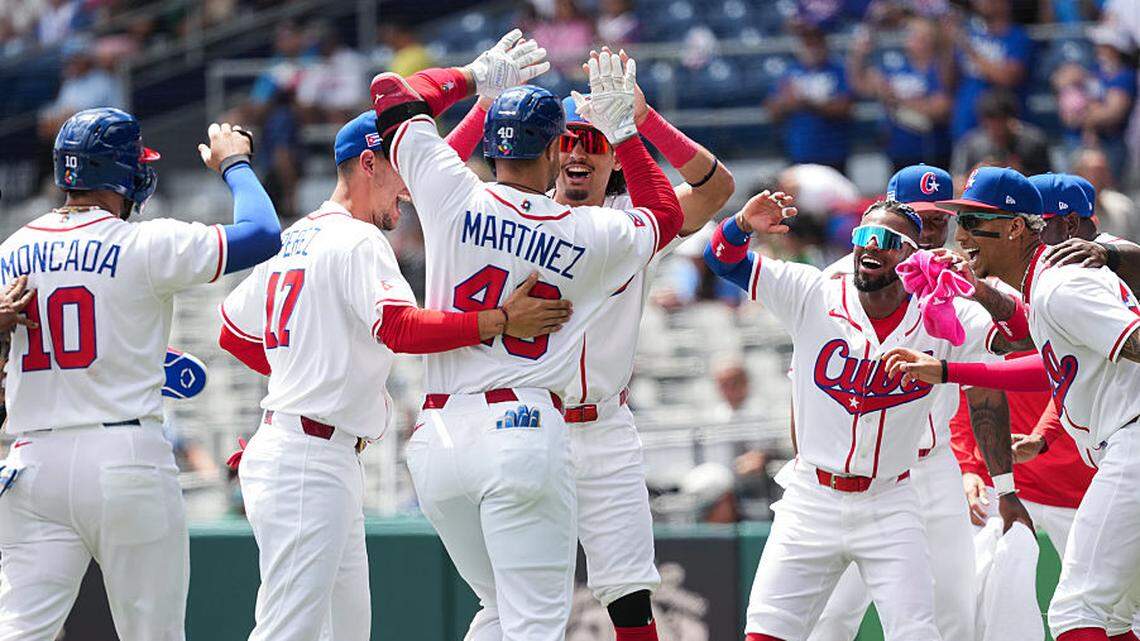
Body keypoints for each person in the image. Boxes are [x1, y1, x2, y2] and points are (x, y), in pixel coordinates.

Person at [217, 109, 571, 641]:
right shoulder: (359, 240)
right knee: (287, 632)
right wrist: (499, 320)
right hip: (307, 455)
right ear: (369, 163)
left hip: (311, 448)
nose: (408, 190)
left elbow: (232, 331)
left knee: (345, 632)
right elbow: (401, 327)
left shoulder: (296, 236)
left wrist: (303, 378)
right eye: (400, 169)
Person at [372, 40, 684, 641]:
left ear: (493, 145)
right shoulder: (587, 230)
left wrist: (472, 80)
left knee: (498, 611)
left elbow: (391, 92)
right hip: (522, 430)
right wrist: (625, 134)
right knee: (535, 624)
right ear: (552, 151)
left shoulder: (451, 191)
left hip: (438, 440)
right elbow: (664, 215)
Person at [442, 43, 734, 641]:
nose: (578, 151)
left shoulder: (631, 220)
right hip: (525, 418)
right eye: (568, 140)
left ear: (616, 158)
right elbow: (434, 185)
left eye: (594, 141)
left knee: (629, 594)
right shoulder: (517, 210)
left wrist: (641, 120)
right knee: (510, 602)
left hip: (602, 423)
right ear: (550, 151)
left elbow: (714, 188)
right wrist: (486, 105)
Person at [0, 108, 281, 641]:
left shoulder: (10, 251)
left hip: (33, 459)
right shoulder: (144, 243)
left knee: (17, 631)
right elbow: (264, 233)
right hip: (124, 455)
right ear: (122, 174)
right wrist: (236, 165)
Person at [704, 191, 1028, 641]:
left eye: (888, 240)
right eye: (864, 235)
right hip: (811, 497)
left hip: (889, 499)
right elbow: (722, 260)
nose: (872, 246)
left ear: (913, 257)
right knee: (767, 629)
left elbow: (1022, 335)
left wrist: (975, 286)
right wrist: (741, 222)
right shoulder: (813, 291)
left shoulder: (943, 316)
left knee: (918, 631)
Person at [890, 165, 1140, 641]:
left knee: (1075, 611)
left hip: (1132, 441)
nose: (961, 234)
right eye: (960, 221)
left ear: (1017, 227)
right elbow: (1037, 358)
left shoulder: (1060, 285)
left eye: (973, 222)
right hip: (1121, 441)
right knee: (1113, 618)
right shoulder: (1044, 285)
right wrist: (949, 368)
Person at [806, 164, 1003, 641]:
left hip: (932, 464)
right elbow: (805, 382)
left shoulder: (957, 283)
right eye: (920, 218)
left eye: (939, 220)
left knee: (954, 611)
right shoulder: (842, 279)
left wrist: (983, 471)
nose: (931, 231)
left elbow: (985, 379)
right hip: (857, 475)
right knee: (830, 617)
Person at [848, 18, 952, 171]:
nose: (910, 38)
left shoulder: (940, 68)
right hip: (898, 149)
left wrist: (896, 99)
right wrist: (858, 56)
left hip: (932, 149)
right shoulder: (896, 66)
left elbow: (941, 108)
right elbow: (861, 87)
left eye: (917, 35)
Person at [766, 23, 854, 172]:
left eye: (816, 42)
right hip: (800, 152)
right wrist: (787, 103)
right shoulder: (789, 72)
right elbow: (772, 110)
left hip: (833, 152)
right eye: (808, 43)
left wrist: (807, 102)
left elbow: (845, 107)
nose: (812, 48)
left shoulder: (838, 70)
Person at [949, 0, 1031, 141]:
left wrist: (969, 49)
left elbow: (1007, 77)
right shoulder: (971, 33)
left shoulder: (1018, 36)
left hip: (1001, 126)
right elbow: (949, 81)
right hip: (966, 122)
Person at [951, 89, 1050, 182]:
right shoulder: (970, 145)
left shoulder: (1033, 142)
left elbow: (1047, 182)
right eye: (992, 126)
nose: (998, 131)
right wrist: (974, 175)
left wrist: (1020, 175)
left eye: (1002, 124)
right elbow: (956, 184)